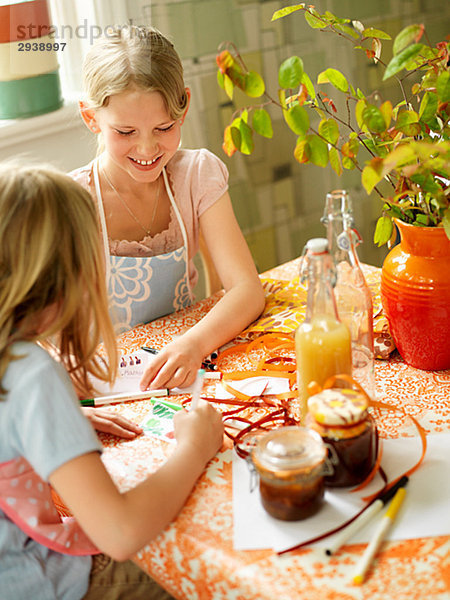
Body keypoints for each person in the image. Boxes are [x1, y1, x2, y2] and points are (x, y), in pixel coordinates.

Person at [0, 163, 224, 600]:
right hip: (48, 586)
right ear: (70, 278)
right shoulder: (30, 374)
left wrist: (57, 426)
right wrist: (195, 446)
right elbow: (120, 533)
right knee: (207, 571)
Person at [71, 25, 265, 392]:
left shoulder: (196, 175)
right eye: (125, 132)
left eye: (164, 127)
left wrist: (193, 344)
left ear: (184, 106)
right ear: (91, 118)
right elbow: (36, 334)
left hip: (184, 373)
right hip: (107, 389)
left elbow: (247, 289)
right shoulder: (71, 201)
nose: (147, 150)